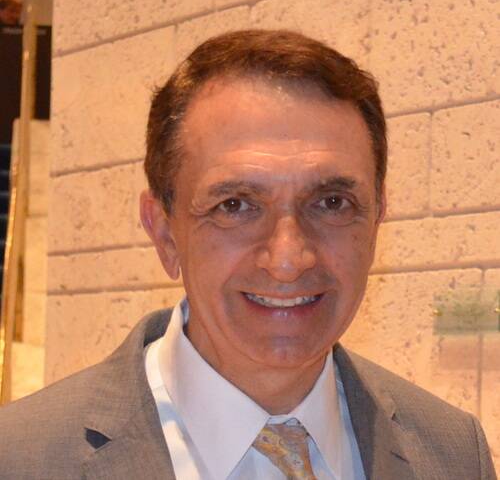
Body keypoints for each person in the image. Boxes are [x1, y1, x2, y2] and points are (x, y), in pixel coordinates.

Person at [0, 30, 496, 479]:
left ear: (377, 218)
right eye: (235, 205)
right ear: (165, 233)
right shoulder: (21, 458)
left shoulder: (454, 455)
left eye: (331, 202)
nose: (288, 259)